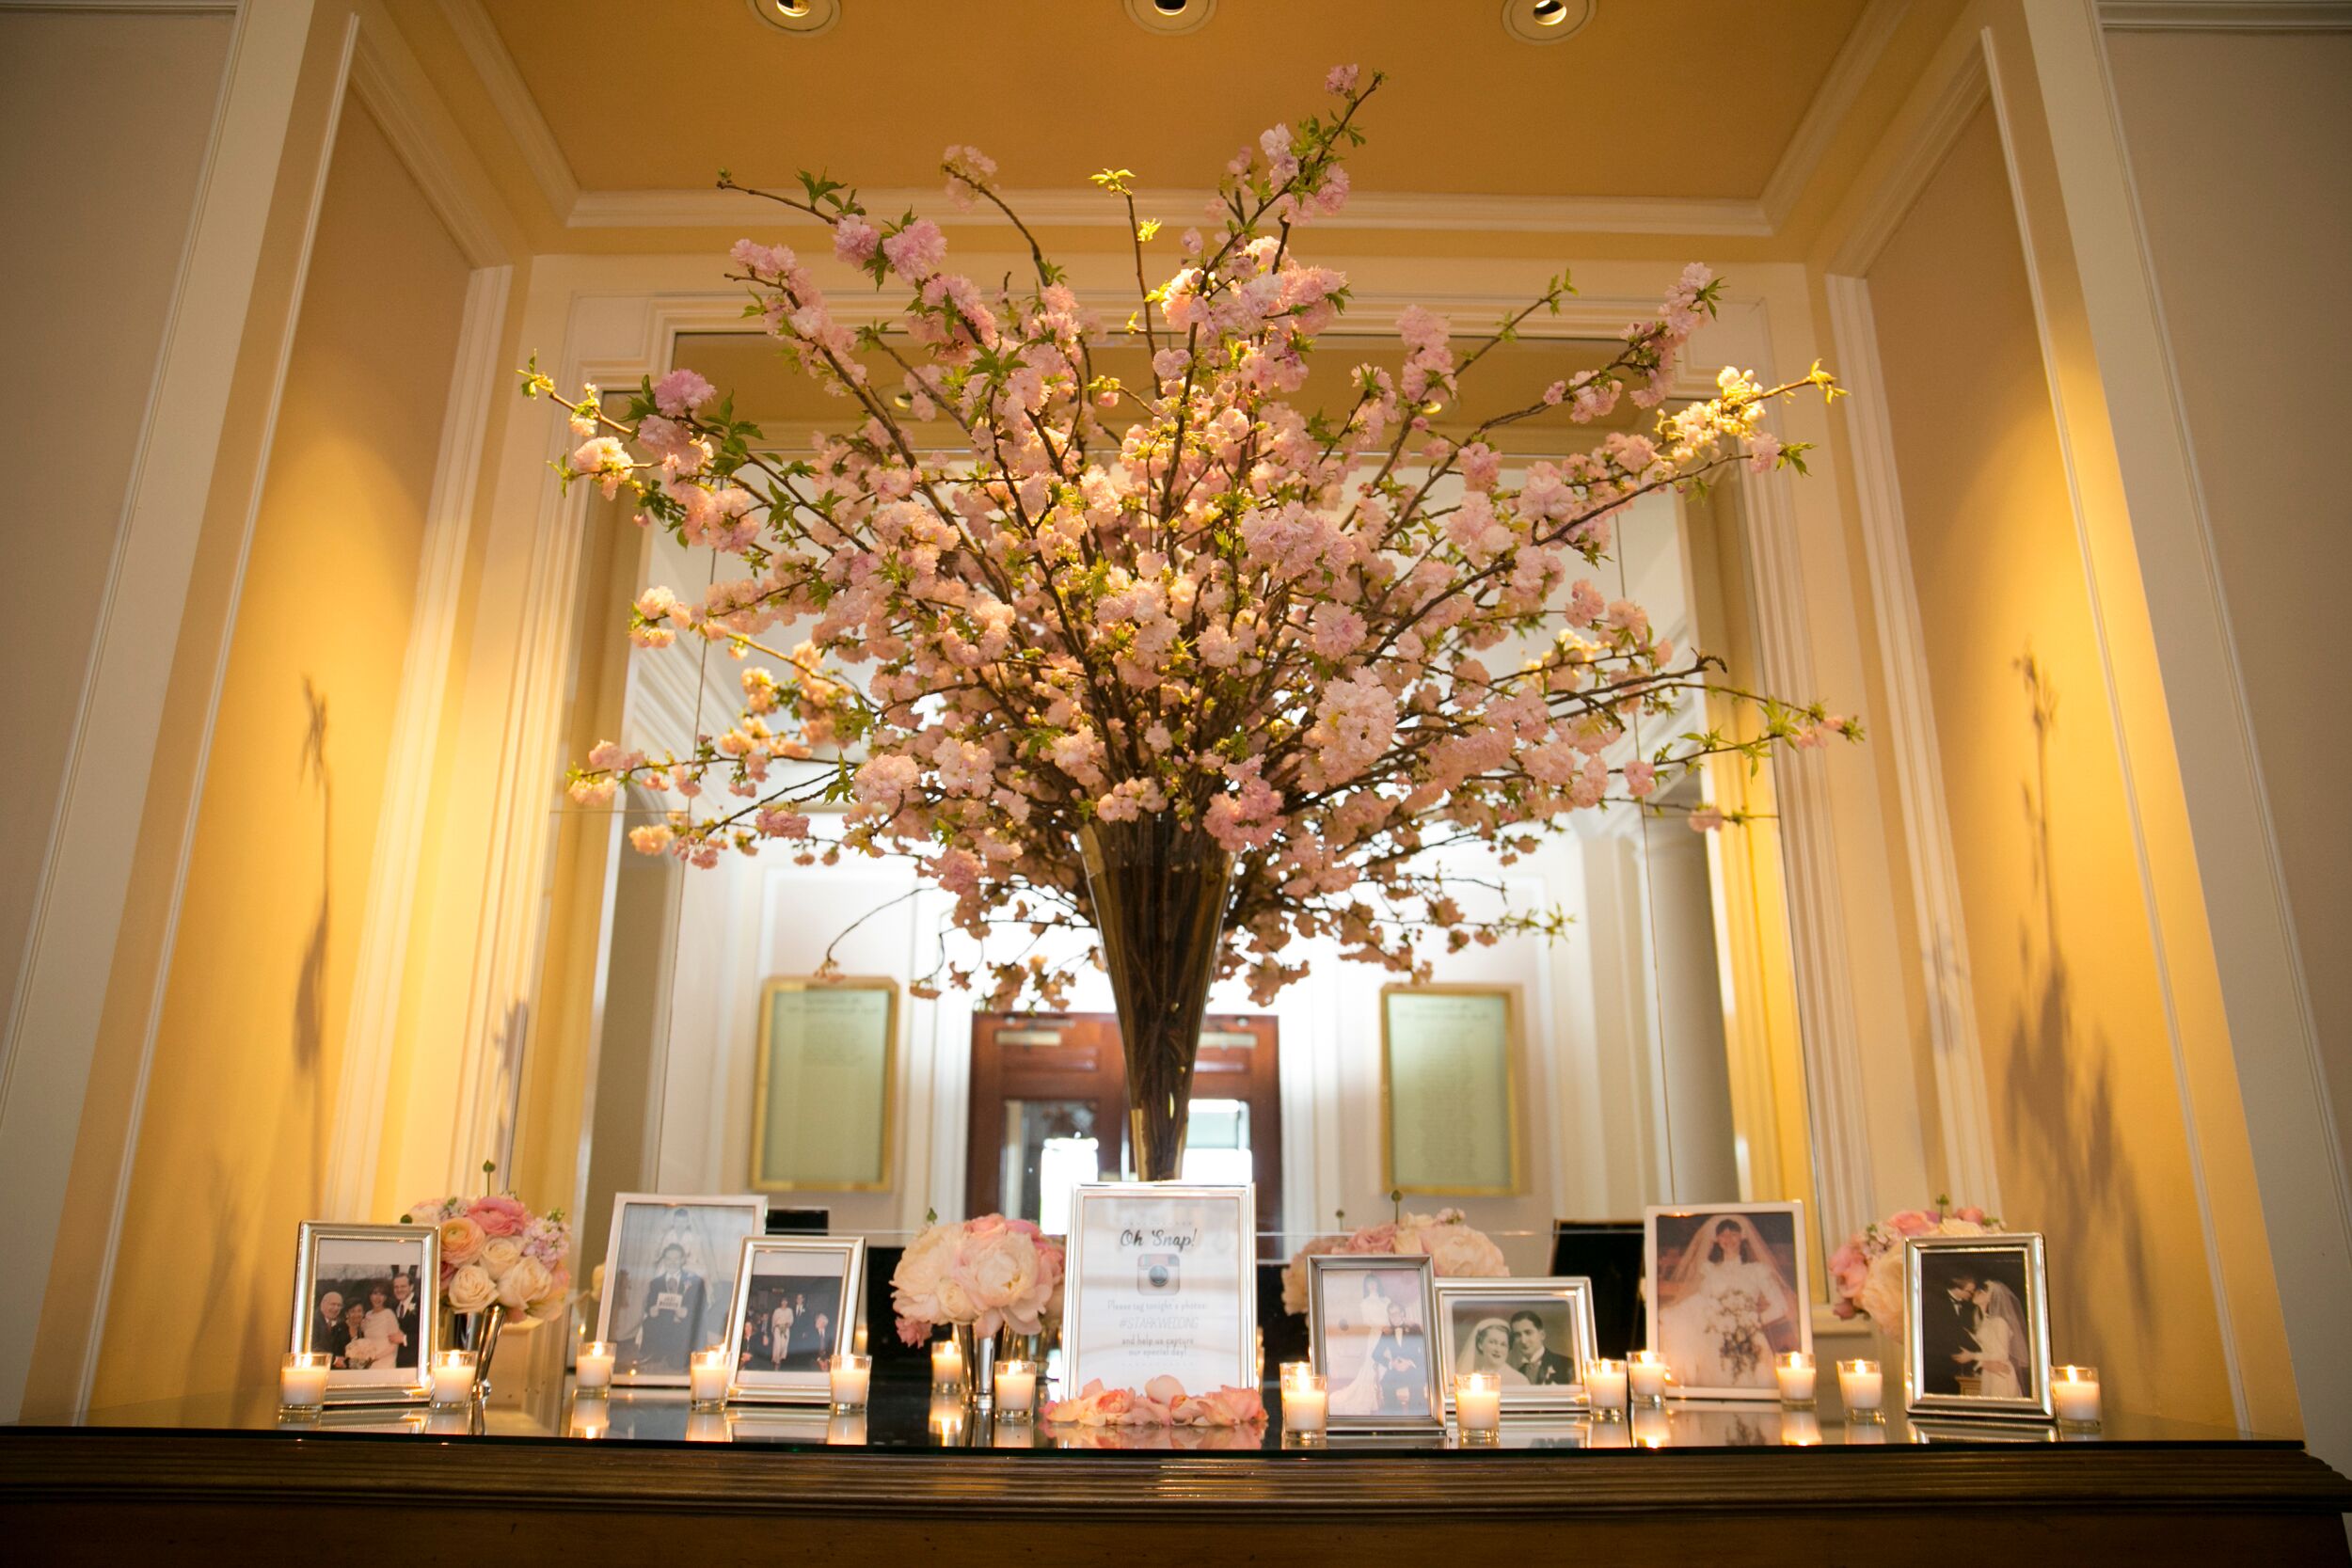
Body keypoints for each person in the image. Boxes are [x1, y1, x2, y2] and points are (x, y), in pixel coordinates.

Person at [1655, 1215, 1800, 1389]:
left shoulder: (1757, 1271)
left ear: (1742, 1236)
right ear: (1716, 1240)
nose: (1728, 1239)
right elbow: (1701, 1302)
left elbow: (1780, 1306)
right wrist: (1670, 1314)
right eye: (1723, 1235)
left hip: (1751, 1339)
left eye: (1733, 1234)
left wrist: (1753, 1322)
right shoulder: (1710, 1271)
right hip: (1716, 1343)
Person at [1949, 1271, 2030, 1400]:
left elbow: (2002, 1354)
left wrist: (1972, 1356)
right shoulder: (1981, 1321)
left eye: (1982, 1291)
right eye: (1977, 1290)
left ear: (1992, 1297)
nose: (1976, 1293)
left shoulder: (2000, 1322)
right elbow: (1982, 1347)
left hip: (2001, 1373)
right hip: (1989, 1371)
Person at [635, 1241, 707, 1374]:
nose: (672, 1262)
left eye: (676, 1259)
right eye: (668, 1259)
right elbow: (649, 1305)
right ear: (664, 1260)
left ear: (682, 1260)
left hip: (681, 1326)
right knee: (649, 1322)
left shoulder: (694, 1281)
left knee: (677, 1364)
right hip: (662, 1323)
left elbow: (700, 1306)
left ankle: (679, 1356)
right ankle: (655, 1353)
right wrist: (651, 1310)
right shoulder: (656, 1283)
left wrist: (686, 1312)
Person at [1507, 1310, 1574, 1386]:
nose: (1523, 1341)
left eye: (1528, 1333)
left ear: (1542, 1335)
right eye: (1517, 1335)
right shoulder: (1518, 1373)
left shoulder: (1566, 1365)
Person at [1458, 1317, 1531, 1386]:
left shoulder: (1519, 1380)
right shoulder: (1470, 1377)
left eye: (1503, 1345)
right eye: (1492, 1342)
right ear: (1480, 1344)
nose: (1498, 1349)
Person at [361, 1278, 407, 1370]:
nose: (378, 1298)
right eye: (375, 1293)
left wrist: (376, 1357)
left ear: (386, 1297)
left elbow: (394, 1345)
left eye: (381, 1294)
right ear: (370, 1296)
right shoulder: (368, 1314)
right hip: (369, 1364)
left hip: (385, 1364)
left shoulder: (388, 1314)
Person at [389, 1271, 421, 1369]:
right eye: (396, 1287)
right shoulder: (394, 1307)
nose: (399, 1290)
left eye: (403, 1286)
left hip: (414, 1364)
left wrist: (404, 1339)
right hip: (396, 1362)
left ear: (411, 1287)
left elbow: (428, 1335)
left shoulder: (421, 1304)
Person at [314, 1290, 347, 1361]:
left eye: (339, 1305)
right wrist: (334, 1360)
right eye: (333, 1304)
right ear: (323, 1304)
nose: (336, 1308)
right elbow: (313, 1348)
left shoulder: (339, 1324)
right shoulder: (314, 1321)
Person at [769, 1293, 795, 1370]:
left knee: (784, 1345)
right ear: (781, 1302)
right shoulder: (777, 1310)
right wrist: (773, 1329)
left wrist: (788, 1324)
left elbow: (791, 1320)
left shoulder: (790, 1310)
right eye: (783, 1301)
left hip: (786, 1329)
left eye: (785, 1301)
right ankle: (776, 1362)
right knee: (777, 1345)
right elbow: (773, 1321)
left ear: (787, 1302)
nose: (784, 1303)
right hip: (778, 1329)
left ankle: (781, 1360)